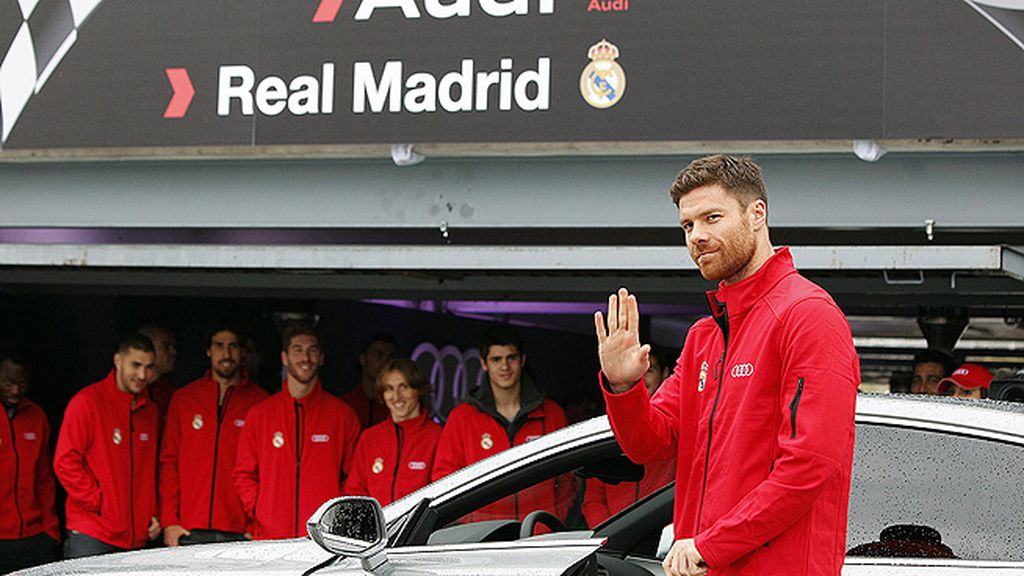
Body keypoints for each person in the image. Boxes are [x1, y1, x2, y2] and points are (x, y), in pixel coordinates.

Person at [594, 155, 859, 576]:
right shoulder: (705, 336)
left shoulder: (808, 315)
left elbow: (809, 465)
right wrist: (625, 387)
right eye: (687, 225)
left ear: (757, 214)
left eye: (712, 217)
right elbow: (650, 446)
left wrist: (711, 545)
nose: (697, 236)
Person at [233, 321, 361, 539]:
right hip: (270, 538)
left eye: (312, 351)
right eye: (297, 350)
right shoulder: (260, 414)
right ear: (284, 358)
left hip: (324, 540)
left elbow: (356, 479)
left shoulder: (342, 416)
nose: (305, 358)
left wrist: (336, 518)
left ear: (321, 358)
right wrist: (260, 510)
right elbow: (243, 474)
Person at [432, 325, 572, 523]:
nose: (504, 367)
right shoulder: (462, 417)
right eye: (496, 359)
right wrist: (469, 526)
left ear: (522, 360)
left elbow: (569, 478)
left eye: (511, 358)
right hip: (482, 540)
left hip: (539, 539)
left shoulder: (551, 413)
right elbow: (444, 480)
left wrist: (553, 521)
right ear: (484, 363)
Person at [159, 323, 269, 546]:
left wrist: (256, 524)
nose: (226, 354)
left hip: (241, 531)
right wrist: (170, 520)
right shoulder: (184, 399)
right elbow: (169, 462)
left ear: (243, 351)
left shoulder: (261, 403)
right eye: (219, 346)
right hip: (189, 529)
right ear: (208, 350)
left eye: (233, 346)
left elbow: (268, 471)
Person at [54, 334, 162, 558]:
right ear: (118, 360)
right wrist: (99, 501)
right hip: (93, 532)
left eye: (149, 367)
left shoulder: (150, 411)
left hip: (136, 536)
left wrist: (153, 511)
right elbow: (65, 461)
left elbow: (151, 469)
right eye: (136, 365)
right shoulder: (88, 402)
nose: (142, 375)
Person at [582, 346, 676, 528]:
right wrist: (610, 535)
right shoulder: (609, 425)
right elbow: (593, 498)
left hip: (664, 542)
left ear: (665, 373)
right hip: (613, 541)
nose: (640, 378)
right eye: (634, 371)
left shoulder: (675, 425)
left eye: (649, 370)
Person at [343, 359, 442, 505]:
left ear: (418, 390)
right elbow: (355, 491)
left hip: (422, 527)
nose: (396, 396)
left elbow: (442, 494)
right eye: (389, 388)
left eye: (403, 387)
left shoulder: (437, 436)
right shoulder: (370, 438)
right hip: (378, 526)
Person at [0, 343, 60, 573]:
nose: (15, 390)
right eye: (8, 382)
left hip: (34, 537)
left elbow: (44, 477)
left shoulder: (36, 416)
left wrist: (50, 528)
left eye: (22, 383)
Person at [340, 333, 398, 429]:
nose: (385, 362)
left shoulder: (397, 406)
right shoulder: (344, 404)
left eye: (390, 357)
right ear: (363, 359)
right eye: (378, 355)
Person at [138, 323, 179, 428]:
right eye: (166, 346)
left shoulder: (173, 395)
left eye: (174, 346)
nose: (173, 352)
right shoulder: (126, 390)